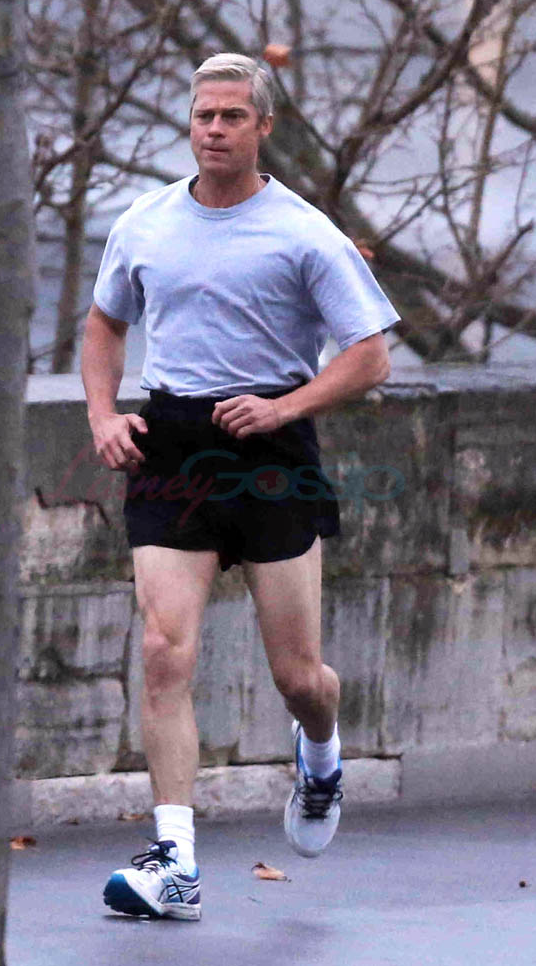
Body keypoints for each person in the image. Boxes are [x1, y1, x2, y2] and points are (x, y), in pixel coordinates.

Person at [81, 52, 400, 921]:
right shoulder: (145, 221)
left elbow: (371, 355)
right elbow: (105, 323)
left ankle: (320, 754)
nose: (214, 129)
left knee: (299, 677)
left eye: (231, 116)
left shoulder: (304, 232)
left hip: (270, 448)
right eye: (203, 115)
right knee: (163, 649)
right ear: (189, 124)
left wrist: (283, 407)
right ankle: (174, 861)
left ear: (264, 127)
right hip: (172, 445)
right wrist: (104, 414)